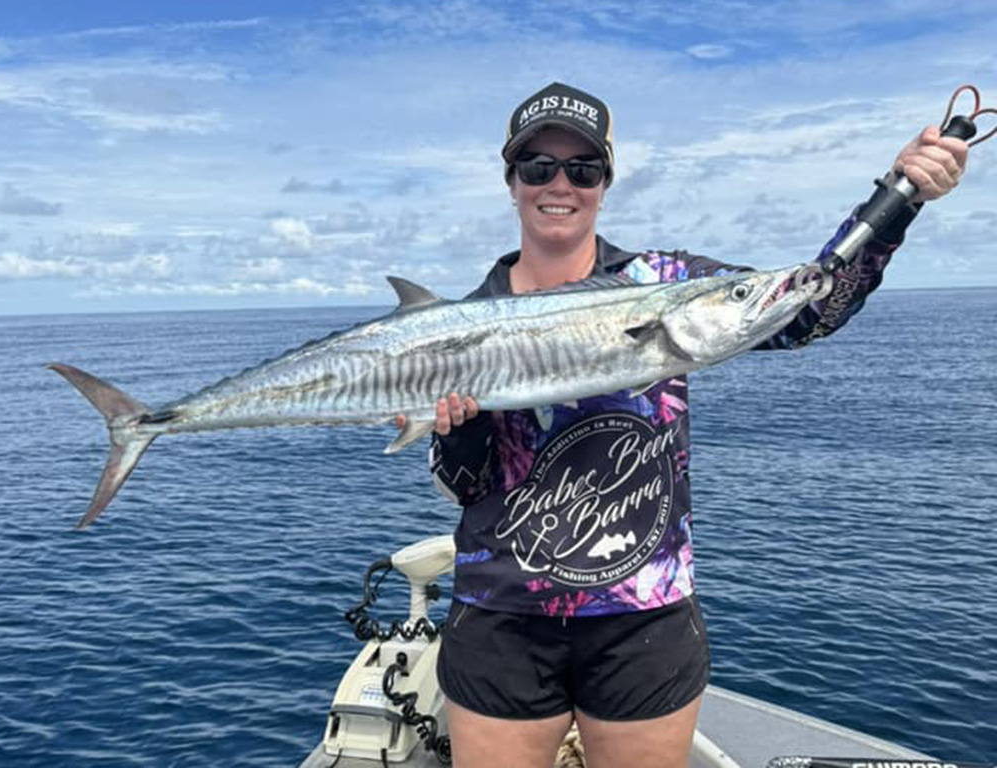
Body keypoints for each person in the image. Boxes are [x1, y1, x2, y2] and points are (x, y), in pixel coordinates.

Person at [399, 82, 968, 768]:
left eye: (582, 169)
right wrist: (459, 431)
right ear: (511, 181)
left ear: (604, 182)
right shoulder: (461, 323)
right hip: (501, 615)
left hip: (644, 615)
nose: (559, 184)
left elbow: (805, 306)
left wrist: (899, 197)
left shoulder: (664, 280)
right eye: (537, 167)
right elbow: (465, 486)